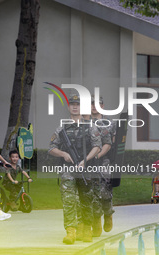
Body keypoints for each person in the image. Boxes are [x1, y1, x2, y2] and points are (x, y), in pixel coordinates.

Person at [49, 94, 101, 244]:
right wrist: (63, 153)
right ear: (68, 107)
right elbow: (51, 148)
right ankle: (71, 231)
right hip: (68, 170)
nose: (75, 106)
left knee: (86, 200)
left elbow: (97, 146)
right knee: (69, 200)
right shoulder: (61, 128)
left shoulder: (90, 126)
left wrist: (85, 160)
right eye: (72, 104)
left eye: (78, 104)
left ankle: (86, 229)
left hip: (85, 169)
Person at [90, 96, 114, 236]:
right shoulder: (84, 122)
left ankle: (108, 214)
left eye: (97, 104)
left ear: (102, 106)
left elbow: (111, 144)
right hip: (88, 162)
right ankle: (96, 222)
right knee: (91, 192)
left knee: (105, 190)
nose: (94, 106)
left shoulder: (108, 123)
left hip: (103, 161)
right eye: (92, 104)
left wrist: (97, 156)